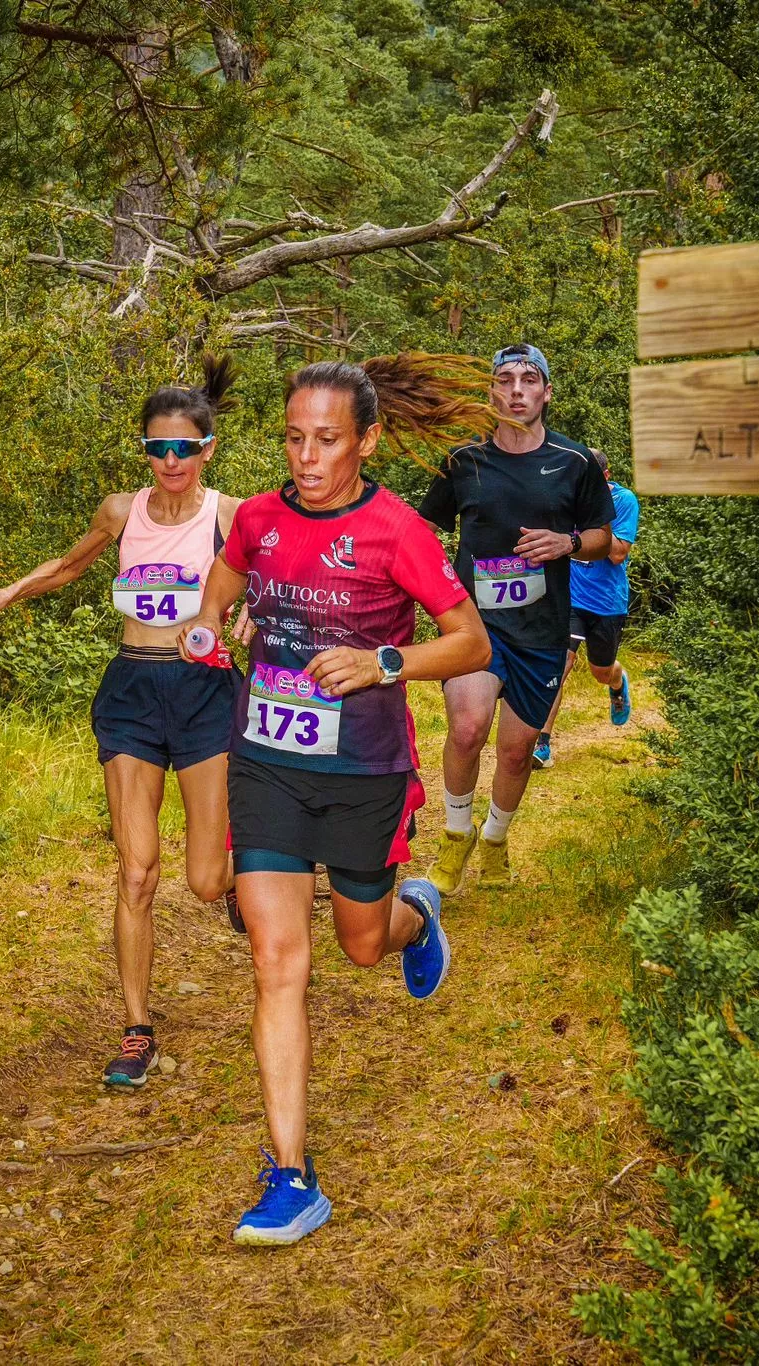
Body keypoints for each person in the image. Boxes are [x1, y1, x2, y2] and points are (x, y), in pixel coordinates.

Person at [177, 354, 492, 1247]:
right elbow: (228, 581)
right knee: (280, 960)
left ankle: (414, 918)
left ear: (367, 440)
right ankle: (291, 1175)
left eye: (326, 440)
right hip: (266, 762)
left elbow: (467, 642)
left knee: (360, 946)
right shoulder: (262, 519)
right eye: (292, 438)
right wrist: (209, 625)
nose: (306, 457)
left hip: (364, 772)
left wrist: (383, 662)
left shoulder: (398, 532)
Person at [0, 354, 243, 1092]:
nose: (170, 460)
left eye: (184, 448)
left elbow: (267, 588)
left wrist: (246, 626)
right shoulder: (122, 511)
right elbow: (71, 565)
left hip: (206, 692)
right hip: (132, 694)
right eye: (157, 447)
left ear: (208, 450)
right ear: (143, 449)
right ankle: (138, 1028)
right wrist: (8, 592)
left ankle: (249, 875)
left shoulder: (232, 515)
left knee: (206, 883)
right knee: (137, 870)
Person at [418, 342, 613, 895]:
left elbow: (603, 539)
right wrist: (435, 592)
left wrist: (567, 541)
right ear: (492, 392)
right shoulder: (464, 461)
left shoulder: (574, 464)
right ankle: (456, 835)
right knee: (467, 727)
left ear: (547, 392)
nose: (517, 390)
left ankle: (497, 839)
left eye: (529, 380)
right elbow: (423, 531)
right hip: (474, 626)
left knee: (516, 750)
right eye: (505, 380)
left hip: (542, 629)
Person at [533, 447, 640, 768]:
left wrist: (594, 517)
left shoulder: (623, 501)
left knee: (600, 671)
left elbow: (618, 552)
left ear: (605, 477)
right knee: (559, 666)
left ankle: (618, 680)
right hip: (569, 598)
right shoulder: (566, 497)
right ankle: (542, 745)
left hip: (606, 603)